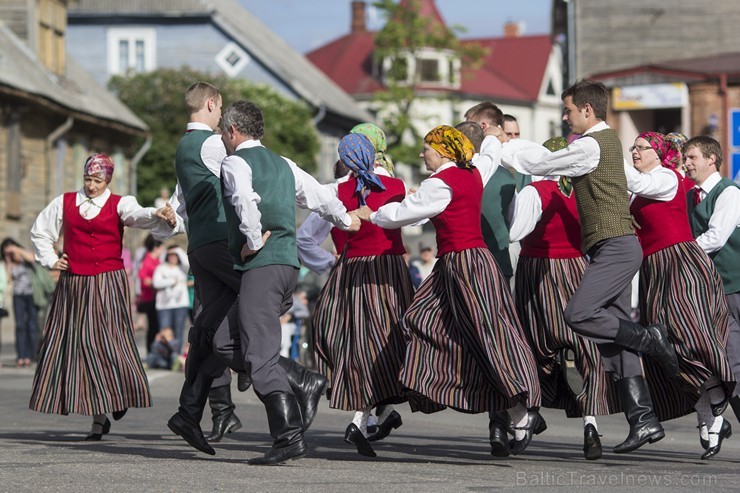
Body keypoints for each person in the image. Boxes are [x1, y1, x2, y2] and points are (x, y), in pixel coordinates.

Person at [500, 79, 678, 454]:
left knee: (578, 314)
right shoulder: (609, 145)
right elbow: (635, 182)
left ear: (587, 110)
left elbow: (541, 163)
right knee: (615, 338)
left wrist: (499, 147)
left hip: (616, 246)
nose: (564, 118)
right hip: (609, 247)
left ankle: (650, 339)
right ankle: (643, 420)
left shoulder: (590, 146)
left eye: (567, 111)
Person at [355, 125, 541, 456]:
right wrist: (489, 135)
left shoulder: (440, 182)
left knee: (486, 335)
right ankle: (443, 386)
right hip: (459, 263)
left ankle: (523, 409)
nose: (421, 154)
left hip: (465, 264)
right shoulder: (471, 172)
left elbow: (401, 214)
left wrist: (373, 213)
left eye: (426, 148)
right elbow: (490, 154)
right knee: (424, 320)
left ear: (442, 152)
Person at [218, 99, 359, 465]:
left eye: (222, 131)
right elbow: (321, 196)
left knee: (259, 357)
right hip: (287, 267)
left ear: (232, 131)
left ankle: (288, 436)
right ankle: (301, 379)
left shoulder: (235, 162)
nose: (222, 137)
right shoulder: (285, 165)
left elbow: (244, 201)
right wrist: (344, 220)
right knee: (222, 340)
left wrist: (252, 242)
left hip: (263, 264)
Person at [29, 153, 176, 440]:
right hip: (74, 283)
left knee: (108, 341)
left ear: (107, 179)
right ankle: (98, 418)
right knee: (79, 345)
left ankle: (120, 394)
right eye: (88, 179)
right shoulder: (65, 202)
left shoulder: (119, 203)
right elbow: (40, 232)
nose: (92, 185)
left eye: (97, 180)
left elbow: (138, 215)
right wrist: (50, 259)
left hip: (108, 281)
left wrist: (155, 213)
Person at [626, 132, 735, 460]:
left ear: (658, 154)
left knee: (687, 330)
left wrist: (599, 156)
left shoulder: (664, 177)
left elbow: (713, 236)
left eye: (641, 148)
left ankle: (715, 392)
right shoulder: (642, 189)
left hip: (679, 261)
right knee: (663, 341)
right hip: (654, 268)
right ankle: (708, 404)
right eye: (632, 148)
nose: (634, 152)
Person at [312, 133, 413, 458]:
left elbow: (309, 235)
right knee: (384, 341)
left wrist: (330, 261)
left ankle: (373, 413)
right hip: (387, 270)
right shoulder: (395, 186)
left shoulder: (335, 193)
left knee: (358, 341)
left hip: (353, 270)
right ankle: (367, 415)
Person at [683, 136, 740, 426]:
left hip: (736, 285)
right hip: (718, 288)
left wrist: (680, 253)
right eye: (685, 157)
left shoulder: (728, 192)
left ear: (711, 159)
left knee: (734, 362)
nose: (687, 162)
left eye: (692, 157)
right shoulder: (693, 196)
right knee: (732, 362)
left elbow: (716, 237)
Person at [457, 119, 516, 287]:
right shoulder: (506, 176)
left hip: (465, 264)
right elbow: (513, 220)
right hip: (499, 259)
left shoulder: (456, 175)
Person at [1, 239, 39, 367]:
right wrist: (8, 261)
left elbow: (32, 259)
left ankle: (30, 355)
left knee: (32, 326)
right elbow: (8, 279)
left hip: (31, 294)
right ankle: (21, 356)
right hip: (18, 296)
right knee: (20, 326)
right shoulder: (10, 262)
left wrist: (16, 249)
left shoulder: (24, 255)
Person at [152, 245, 191, 355]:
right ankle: (165, 356)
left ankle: (176, 357)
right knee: (165, 333)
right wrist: (171, 281)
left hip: (180, 305)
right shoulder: (161, 268)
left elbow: (188, 262)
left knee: (179, 332)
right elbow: (156, 283)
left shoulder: (182, 268)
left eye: (175, 256)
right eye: (170, 255)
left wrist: (178, 250)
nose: (173, 258)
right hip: (164, 306)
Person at [137, 234, 164, 353]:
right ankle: (150, 351)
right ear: (156, 247)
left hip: (157, 298)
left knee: (157, 326)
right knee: (153, 326)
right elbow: (144, 278)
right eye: (161, 247)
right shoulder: (148, 260)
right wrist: (157, 284)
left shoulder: (156, 260)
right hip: (150, 298)